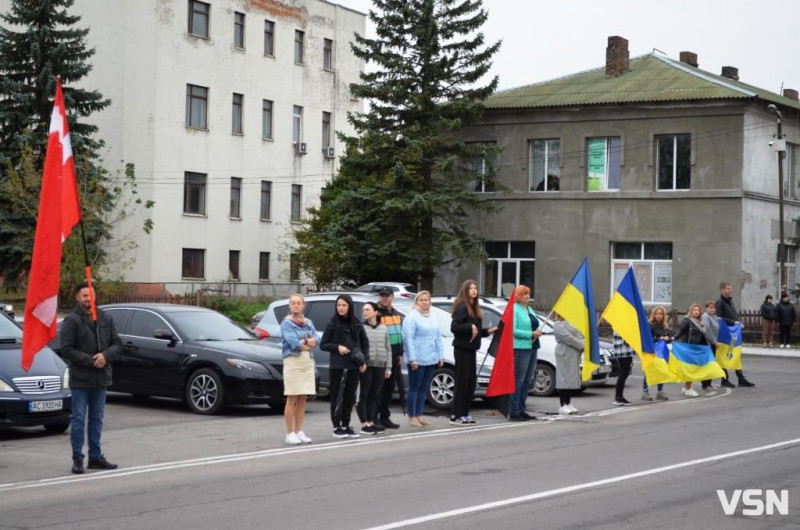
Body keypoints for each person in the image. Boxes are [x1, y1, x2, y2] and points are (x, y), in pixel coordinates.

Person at [60, 281, 121, 474]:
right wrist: (90, 360)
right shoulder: (72, 320)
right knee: (78, 419)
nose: (89, 299)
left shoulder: (105, 317)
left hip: (101, 378)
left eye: (91, 295)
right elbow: (66, 349)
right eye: (85, 296)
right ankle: (78, 458)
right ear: (78, 298)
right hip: (81, 379)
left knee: (97, 419)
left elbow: (117, 344)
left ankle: (95, 457)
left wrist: (106, 356)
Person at [321, 294, 369, 439]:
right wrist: (337, 347)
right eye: (339, 305)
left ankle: (346, 425)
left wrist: (364, 361)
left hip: (354, 366)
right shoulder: (332, 322)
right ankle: (337, 427)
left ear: (349, 306)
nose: (341, 308)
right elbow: (323, 344)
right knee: (337, 397)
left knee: (349, 397)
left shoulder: (356, 322)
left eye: (344, 305)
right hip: (338, 366)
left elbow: (364, 343)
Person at [449, 279, 496, 425]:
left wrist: (488, 331)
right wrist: (470, 326)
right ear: (465, 291)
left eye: (475, 288)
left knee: (470, 383)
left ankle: (464, 413)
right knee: (462, 382)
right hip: (462, 349)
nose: (474, 291)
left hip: (471, 349)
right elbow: (455, 327)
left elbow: (476, 331)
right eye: (471, 289)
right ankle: (455, 415)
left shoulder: (474, 308)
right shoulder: (462, 307)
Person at [402, 291, 444, 427]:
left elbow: (438, 337)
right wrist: (412, 358)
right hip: (417, 359)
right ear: (416, 302)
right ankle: (412, 416)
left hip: (430, 358)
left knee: (423, 387)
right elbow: (408, 339)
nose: (424, 302)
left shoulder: (433, 317)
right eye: (421, 300)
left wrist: (440, 355)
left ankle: (420, 414)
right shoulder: (411, 317)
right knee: (414, 387)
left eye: (426, 300)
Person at [280, 294, 317, 444]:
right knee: (292, 397)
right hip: (293, 360)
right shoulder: (286, 323)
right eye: (293, 303)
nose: (296, 305)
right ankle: (289, 433)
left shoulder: (308, 322)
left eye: (298, 303)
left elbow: (317, 339)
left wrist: (306, 341)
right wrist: (308, 341)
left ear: (303, 306)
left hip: (307, 360)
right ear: (290, 306)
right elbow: (293, 342)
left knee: (303, 397)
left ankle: (299, 430)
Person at [357, 302, 391, 435]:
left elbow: (388, 348)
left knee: (374, 395)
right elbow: (358, 347)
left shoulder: (383, 328)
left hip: (380, 366)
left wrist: (388, 367)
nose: (365, 312)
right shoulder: (361, 327)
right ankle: (364, 423)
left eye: (368, 309)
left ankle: (371, 421)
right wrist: (361, 362)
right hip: (366, 366)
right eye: (364, 310)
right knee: (363, 394)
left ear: (376, 312)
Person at [508, 285, 540, 421]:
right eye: (524, 294)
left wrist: (538, 332)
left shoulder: (529, 309)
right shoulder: (514, 310)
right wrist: (530, 334)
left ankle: (522, 409)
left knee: (527, 380)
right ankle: (513, 411)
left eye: (528, 294)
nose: (527, 296)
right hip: (521, 348)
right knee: (518, 381)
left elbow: (534, 324)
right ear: (518, 296)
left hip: (533, 346)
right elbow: (512, 330)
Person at [374, 287, 403, 430]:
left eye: (387, 296)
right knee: (379, 388)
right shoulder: (376, 313)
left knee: (389, 389)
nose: (384, 298)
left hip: (394, 356)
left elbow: (399, 335)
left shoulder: (396, 313)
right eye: (382, 296)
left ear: (392, 297)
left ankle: (385, 417)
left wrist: (400, 353)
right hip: (382, 356)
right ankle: (375, 418)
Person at [715, 282, 755, 387]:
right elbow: (718, 318)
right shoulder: (719, 302)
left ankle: (741, 378)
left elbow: (734, 316)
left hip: (733, 333)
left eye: (730, 288)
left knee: (736, 354)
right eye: (728, 288)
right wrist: (733, 322)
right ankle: (724, 379)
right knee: (724, 356)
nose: (730, 290)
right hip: (725, 334)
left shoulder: (730, 301)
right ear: (722, 290)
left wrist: (738, 322)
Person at [672, 303, 708, 397]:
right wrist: (674, 337)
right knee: (690, 369)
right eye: (694, 310)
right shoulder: (687, 321)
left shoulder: (700, 322)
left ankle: (686, 386)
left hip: (697, 348)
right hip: (688, 348)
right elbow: (680, 331)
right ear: (690, 311)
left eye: (698, 310)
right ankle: (689, 388)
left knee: (695, 368)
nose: (696, 312)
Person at [552, 313, 582, 415]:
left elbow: (579, 335)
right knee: (563, 377)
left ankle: (568, 402)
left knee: (570, 377)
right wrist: (581, 345)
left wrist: (583, 343)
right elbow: (568, 338)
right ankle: (563, 404)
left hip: (573, 352)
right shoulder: (558, 324)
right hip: (564, 352)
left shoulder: (571, 323)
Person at [644, 306, 670, 401]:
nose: (659, 316)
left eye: (661, 314)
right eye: (657, 313)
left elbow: (668, 337)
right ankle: (645, 391)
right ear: (653, 314)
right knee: (649, 370)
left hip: (662, 351)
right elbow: (649, 339)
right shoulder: (650, 325)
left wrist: (668, 338)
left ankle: (660, 392)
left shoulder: (664, 326)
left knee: (661, 369)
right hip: (652, 350)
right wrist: (660, 338)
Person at [700, 301, 719, 396]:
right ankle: (705, 384)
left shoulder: (715, 317)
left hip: (713, 343)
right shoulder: (705, 317)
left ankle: (709, 384)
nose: (712, 309)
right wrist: (714, 342)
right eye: (710, 307)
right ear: (706, 308)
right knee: (707, 364)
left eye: (714, 308)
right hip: (708, 344)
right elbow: (708, 330)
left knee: (711, 364)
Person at [611, 332, 634, 406]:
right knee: (623, 374)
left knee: (625, 373)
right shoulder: (619, 325)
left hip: (628, 352)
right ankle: (617, 398)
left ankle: (620, 396)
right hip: (621, 352)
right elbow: (625, 340)